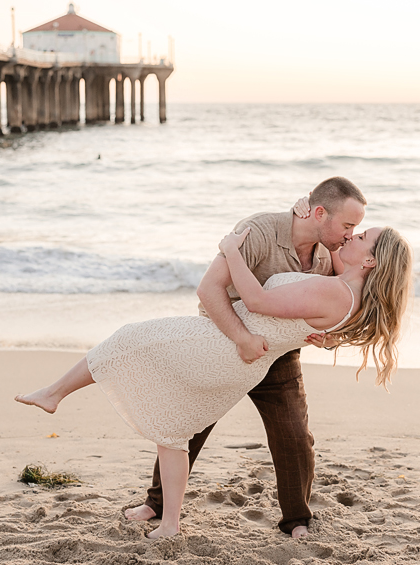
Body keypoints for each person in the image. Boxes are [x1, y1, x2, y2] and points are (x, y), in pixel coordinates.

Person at [15, 221, 414, 539]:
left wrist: (230, 251)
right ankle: (168, 522)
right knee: (173, 427)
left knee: (127, 341)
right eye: (352, 227)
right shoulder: (350, 293)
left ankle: (54, 394)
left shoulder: (335, 292)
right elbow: (324, 304)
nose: (352, 236)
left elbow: (257, 301)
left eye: (361, 236)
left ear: (371, 262)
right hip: (236, 356)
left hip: (220, 347)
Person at [128, 176, 367, 539]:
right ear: (319, 213)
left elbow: (339, 311)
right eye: (348, 225)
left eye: (357, 229)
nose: (352, 234)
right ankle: (156, 504)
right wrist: (241, 339)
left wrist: (328, 339)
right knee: (188, 424)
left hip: (279, 356)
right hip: (222, 343)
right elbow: (208, 289)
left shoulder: (329, 252)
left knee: (295, 436)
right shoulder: (258, 231)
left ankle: (296, 520)